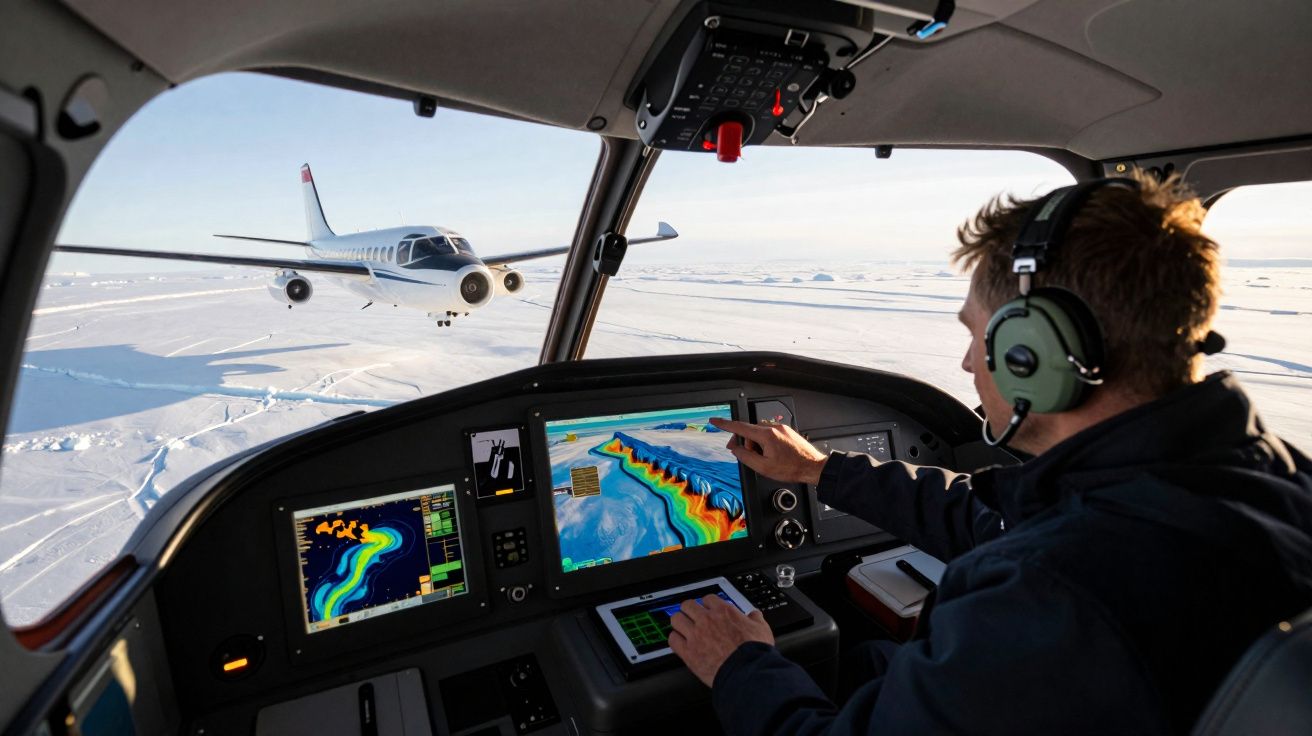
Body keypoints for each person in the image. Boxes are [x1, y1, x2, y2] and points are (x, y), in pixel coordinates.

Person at [667, 171, 1312, 735]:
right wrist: (817, 470)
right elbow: (990, 518)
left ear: (1031, 355)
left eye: (979, 335)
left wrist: (741, 664)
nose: (969, 361)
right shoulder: (1262, 475)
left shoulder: (1048, 600)